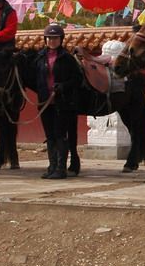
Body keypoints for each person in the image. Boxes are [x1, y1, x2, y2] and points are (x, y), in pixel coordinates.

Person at [34, 24, 82, 179]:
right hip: (45, 102)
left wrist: (63, 86)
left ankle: (61, 168)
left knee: (60, 134)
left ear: (61, 39)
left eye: (55, 38)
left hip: (63, 103)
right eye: (49, 38)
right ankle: (52, 166)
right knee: (49, 136)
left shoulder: (67, 58)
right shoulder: (40, 57)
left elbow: (77, 79)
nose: (52, 41)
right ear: (45, 39)